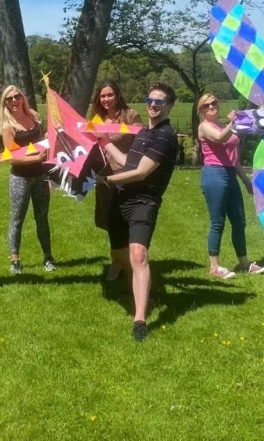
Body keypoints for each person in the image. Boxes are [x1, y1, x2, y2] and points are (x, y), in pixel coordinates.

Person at [96, 82, 180, 342]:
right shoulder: (144, 132)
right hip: (121, 200)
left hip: (144, 201)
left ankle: (140, 320)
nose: (153, 105)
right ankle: (141, 282)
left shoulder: (165, 135)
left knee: (138, 254)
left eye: (160, 102)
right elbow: (126, 162)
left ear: (169, 106)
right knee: (118, 253)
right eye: (150, 100)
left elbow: (142, 172)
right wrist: (103, 141)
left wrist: (109, 181)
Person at [195, 94, 264, 279]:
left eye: (214, 102)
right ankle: (214, 267)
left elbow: (234, 160)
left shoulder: (223, 125)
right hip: (214, 174)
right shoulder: (204, 126)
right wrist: (233, 123)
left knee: (239, 220)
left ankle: (244, 263)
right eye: (206, 105)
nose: (211, 106)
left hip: (230, 174)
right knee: (218, 221)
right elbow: (219, 138)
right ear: (201, 110)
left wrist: (246, 181)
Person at [88, 80, 143, 281]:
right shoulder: (96, 119)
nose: (106, 99)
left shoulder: (131, 116)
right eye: (102, 96)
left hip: (127, 177)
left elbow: (141, 143)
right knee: (110, 220)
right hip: (104, 179)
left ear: (117, 95)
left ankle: (126, 262)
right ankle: (119, 259)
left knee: (128, 221)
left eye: (110, 95)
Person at [0, 85, 55, 275]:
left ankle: (48, 257)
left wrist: (48, 136)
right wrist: (35, 158)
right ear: (5, 103)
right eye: (9, 98)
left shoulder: (34, 118)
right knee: (17, 219)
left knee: (42, 218)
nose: (14, 101)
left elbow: (41, 143)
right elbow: (10, 158)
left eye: (17, 96)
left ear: (22, 98)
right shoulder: (8, 126)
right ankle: (15, 260)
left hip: (40, 176)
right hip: (20, 179)